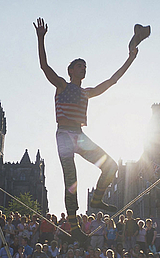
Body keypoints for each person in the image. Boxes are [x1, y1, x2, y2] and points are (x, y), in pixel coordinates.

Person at [34, 17, 145, 242]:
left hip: (79, 135)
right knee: (71, 180)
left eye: (85, 66)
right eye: (80, 66)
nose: (84, 69)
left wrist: (130, 58)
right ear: (71, 71)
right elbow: (44, 67)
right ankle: (74, 227)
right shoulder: (62, 86)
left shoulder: (87, 92)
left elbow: (113, 80)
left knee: (111, 165)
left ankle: (97, 199)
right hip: (64, 135)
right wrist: (40, 38)